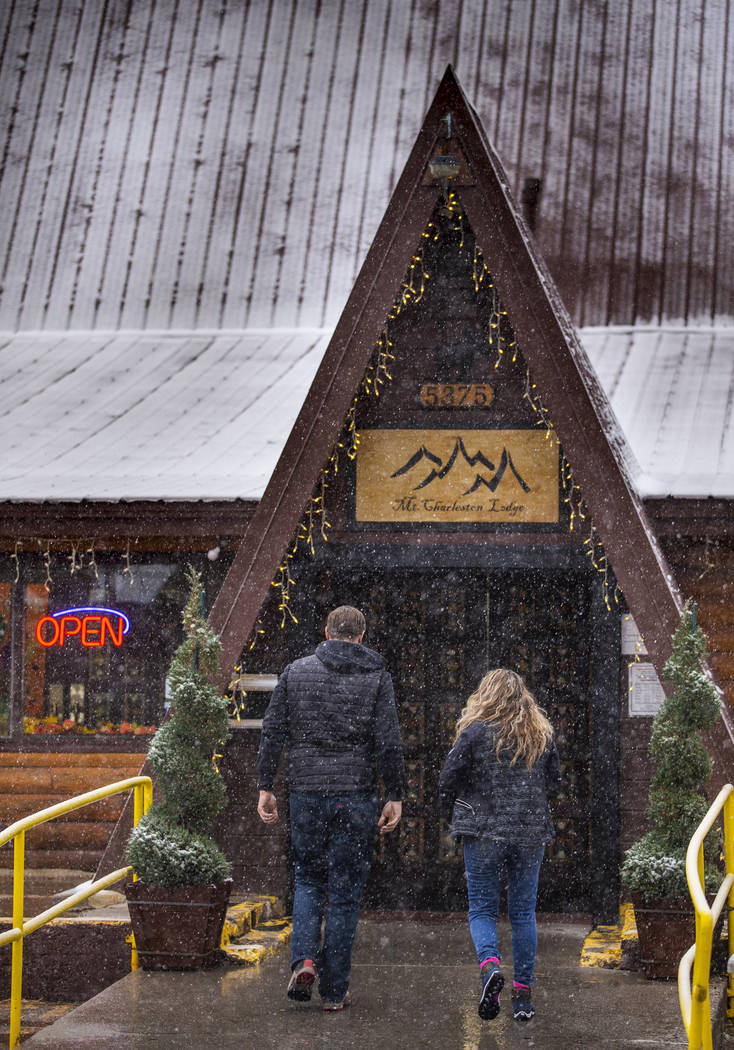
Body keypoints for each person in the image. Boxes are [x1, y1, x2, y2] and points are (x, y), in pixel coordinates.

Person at [256, 604, 406, 1010]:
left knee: (307, 880)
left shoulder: (296, 672)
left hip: (305, 791)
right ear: (361, 636)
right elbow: (388, 741)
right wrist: (395, 794)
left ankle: (304, 958)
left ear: (326, 632)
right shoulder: (377, 677)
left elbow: (273, 730)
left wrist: (265, 785)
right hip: (355, 794)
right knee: (344, 894)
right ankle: (335, 991)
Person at [438, 668, 561, 1023]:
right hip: (529, 833)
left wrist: (452, 813)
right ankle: (523, 996)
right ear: (523, 696)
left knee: (482, 910)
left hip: (484, 832)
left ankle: (490, 966)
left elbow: (449, 778)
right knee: (523, 913)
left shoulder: (474, 733)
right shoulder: (541, 734)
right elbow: (555, 784)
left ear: (486, 695)